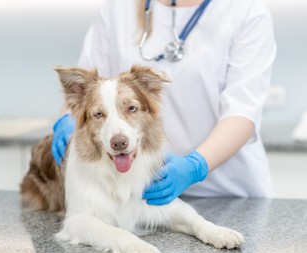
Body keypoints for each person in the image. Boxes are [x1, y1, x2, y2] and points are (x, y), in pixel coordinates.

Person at [51, 0, 277, 204]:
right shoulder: (118, 8)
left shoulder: (247, 9)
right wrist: (66, 121)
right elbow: (85, 91)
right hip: (138, 192)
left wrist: (194, 167)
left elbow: (242, 112)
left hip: (229, 193)